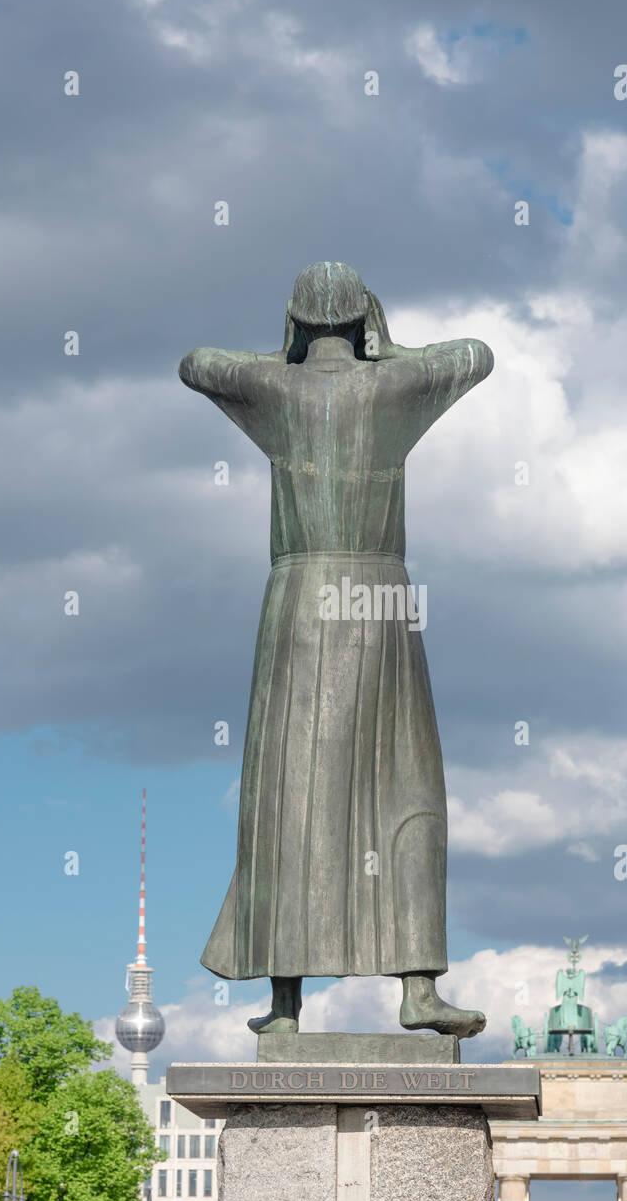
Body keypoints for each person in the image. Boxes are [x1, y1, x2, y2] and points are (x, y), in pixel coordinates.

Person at [179, 262, 493, 1038]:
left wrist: (279, 355)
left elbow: (197, 364)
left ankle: (284, 1003)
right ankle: (416, 988)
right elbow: (475, 353)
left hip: (297, 603)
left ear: (294, 320)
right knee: (405, 784)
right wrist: (384, 347)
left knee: (288, 794)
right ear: (363, 319)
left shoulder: (272, 390)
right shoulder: (393, 387)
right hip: (380, 599)